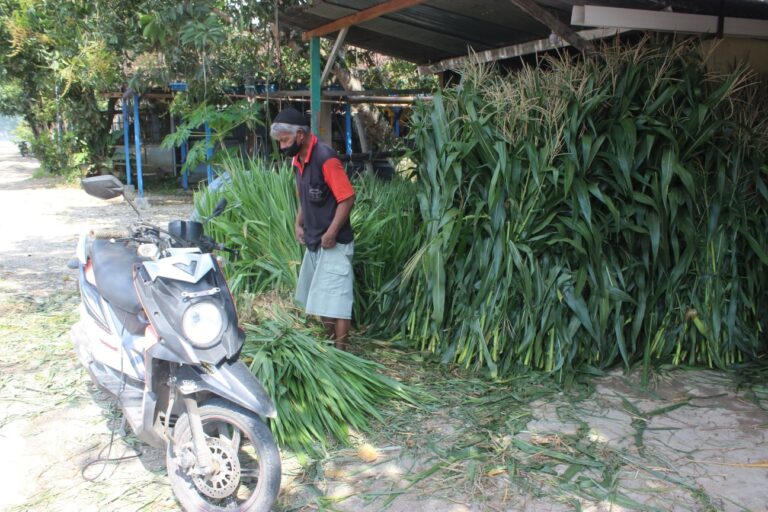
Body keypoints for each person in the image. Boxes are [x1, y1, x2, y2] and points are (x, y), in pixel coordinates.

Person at [269, 108, 356, 350]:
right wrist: (299, 224)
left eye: (285, 140)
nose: (283, 147)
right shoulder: (298, 161)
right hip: (315, 241)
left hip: (334, 244)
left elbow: (347, 198)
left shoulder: (325, 158)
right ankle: (329, 349)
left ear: (300, 135)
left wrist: (332, 232)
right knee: (321, 300)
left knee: (337, 303)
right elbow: (305, 198)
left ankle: (342, 357)